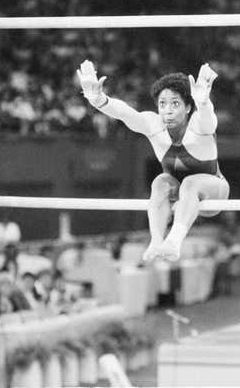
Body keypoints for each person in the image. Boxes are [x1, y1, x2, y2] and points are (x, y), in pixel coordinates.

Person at [78, 60, 229, 262]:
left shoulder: (197, 125)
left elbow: (209, 121)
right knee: (160, 182)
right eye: (162, 104)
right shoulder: (153, 124)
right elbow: (125, 113)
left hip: (213, 191)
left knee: (190, 183)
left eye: (175, 103)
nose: (167, 110)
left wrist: (203, 103)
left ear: (187, 107)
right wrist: (97, 99)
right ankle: (157, 241)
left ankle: (174, 242)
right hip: (179, 193)